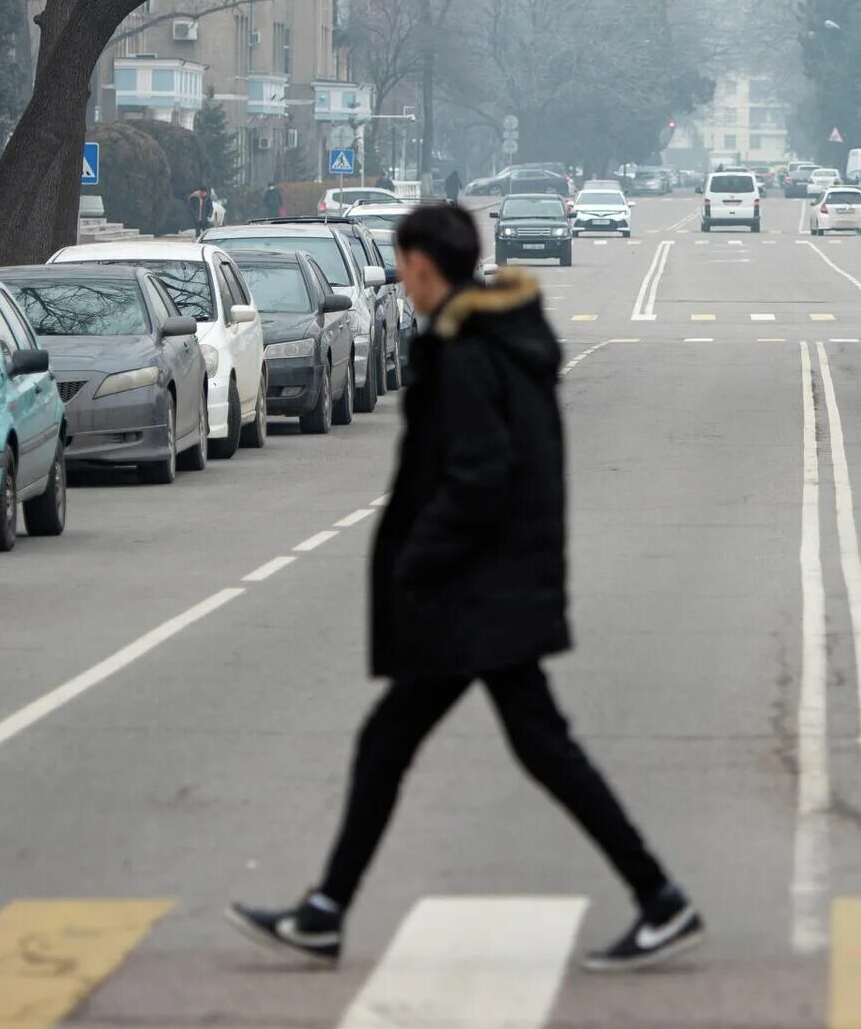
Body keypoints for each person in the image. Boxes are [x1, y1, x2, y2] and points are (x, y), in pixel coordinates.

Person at [229, 202, 702, 971]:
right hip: (495, 585)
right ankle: (327, 909)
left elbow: (479, 472)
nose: (402, 278)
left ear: (421, 266)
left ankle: (658, 896)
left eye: (402, 262)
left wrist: (419, 557)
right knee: (444, 743)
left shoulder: (465, 350)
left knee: (486, 746)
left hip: (477, 593)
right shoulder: (497, 337)